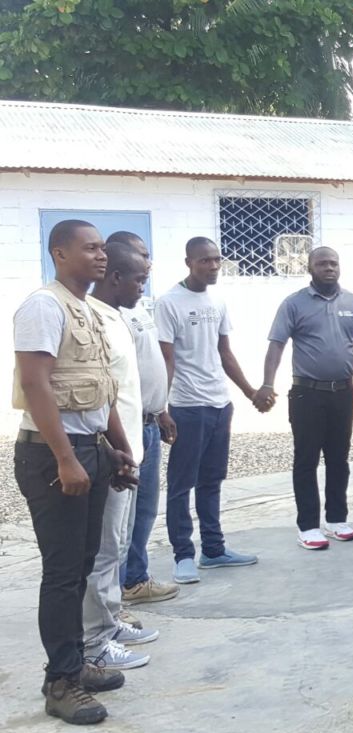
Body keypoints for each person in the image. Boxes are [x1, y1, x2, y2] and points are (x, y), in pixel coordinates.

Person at [13, 219, 136, 725]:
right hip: (52, 453)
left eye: (104, 248)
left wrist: (119, 448)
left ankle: (73, 663)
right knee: (63, 573)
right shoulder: (43, 306)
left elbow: (98, 386)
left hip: (92, 448)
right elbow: (37, 385)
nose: (102, 256)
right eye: (90, 249)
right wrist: (65, 459)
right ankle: (61, 681)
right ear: (59, 253)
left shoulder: (84, 308)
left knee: (82, 565)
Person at [255, 246, 353, 550]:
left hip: (343, 392)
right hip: (306, 394)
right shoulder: (293, 304)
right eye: (322, 263)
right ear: (310, 268)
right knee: (306, 459)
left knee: (339, 458)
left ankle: (337, 519)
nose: (329, 268)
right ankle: (308, 526)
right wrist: (266, 384)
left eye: (334, 263)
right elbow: (276, 346)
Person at [156, 237, 261, 585]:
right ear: (189, 262)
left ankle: (214, 550)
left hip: (219, 403)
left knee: (212, 481)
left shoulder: (218, 300)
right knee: (180, 484)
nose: (214, 266)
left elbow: (224, 351)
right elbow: (166, 359)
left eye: (217, 260)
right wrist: (162, 407)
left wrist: (248, 392)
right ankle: (183, 555)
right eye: (206, 261)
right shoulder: (169, 303)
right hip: (187, 406)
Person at [81, 242, 158, 671]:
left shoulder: (118, 317)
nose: (143, 288)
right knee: (104, 548)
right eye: (139, 279)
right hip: (112, 453)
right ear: (114, 278)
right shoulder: (94, 320)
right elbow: (96, 392)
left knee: (118, 542)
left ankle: (109, 622)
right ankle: (95, 641)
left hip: (130, 447)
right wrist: (112, 449)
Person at [105, 232, 180, 616]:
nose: (148, 266)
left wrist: (162, 408)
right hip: (125, 429)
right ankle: (113, 597)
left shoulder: (136, 307)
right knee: (117, 522)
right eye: (141, 258)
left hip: (150, 421)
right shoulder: (107, 312)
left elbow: (149, 367)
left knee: (145, 510)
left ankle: (135, 579)